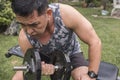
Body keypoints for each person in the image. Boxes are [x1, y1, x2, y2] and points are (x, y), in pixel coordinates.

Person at [11, 0, 101, 80]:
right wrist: (40, 68)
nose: (29, 31)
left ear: (49, 13)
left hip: (70, 53)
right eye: (23, 25)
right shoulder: (24, 38)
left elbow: (94, 42)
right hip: (42, 57)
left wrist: (91, 75)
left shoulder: (66, 14)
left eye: (34, 24)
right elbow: (32, 63)